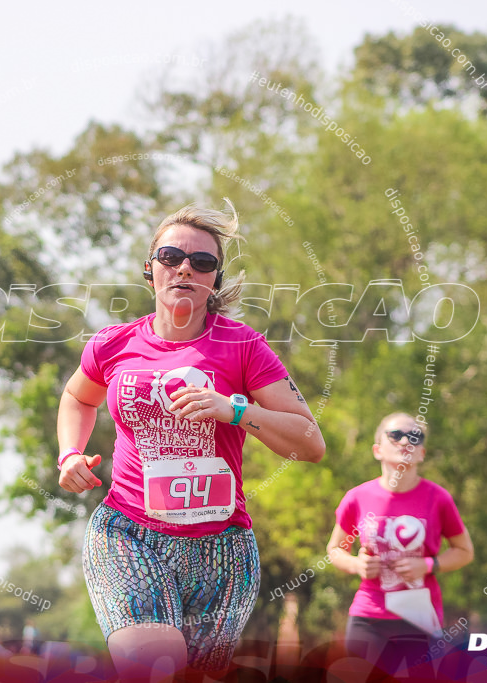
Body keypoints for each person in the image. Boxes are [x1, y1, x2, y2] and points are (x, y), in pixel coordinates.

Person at [57, 203, 325, 681]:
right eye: (171, 255)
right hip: (128, 533)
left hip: (222, 548)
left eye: (202, 262)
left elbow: (309, 442)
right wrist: (70, 453)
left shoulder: (244, 347)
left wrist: (235, 410)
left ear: (215, 280)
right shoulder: (112, 345)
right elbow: (78, 398)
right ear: (150, 267)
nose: (185, 267)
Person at [326, 413, 474, 678]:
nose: (406, 440)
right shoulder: (357, 498)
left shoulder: (438, 498)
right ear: (377, 450)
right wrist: (357, 564)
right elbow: (335, 549)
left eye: (415, 437)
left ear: (422, 454)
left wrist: (429, 564)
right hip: (369, 614)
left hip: (418, 617)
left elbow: (465, 551)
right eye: (395, 435)